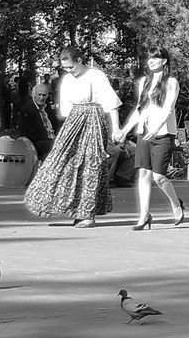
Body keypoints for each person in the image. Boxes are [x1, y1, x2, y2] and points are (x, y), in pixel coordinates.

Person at [24, 45, 122, 228]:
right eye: (66, 68)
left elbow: (111, 104)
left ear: (79, 61)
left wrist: (116, 128)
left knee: (91, 165)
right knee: (61, 160)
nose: (69, 71)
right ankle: (63, 205)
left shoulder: (96, 76)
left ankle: (87, 213)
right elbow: (66, 110)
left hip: (93, 120)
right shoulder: (68, 80)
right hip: (73, 122)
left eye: (71, 67)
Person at [116, 46, 184, 229]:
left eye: (155, 58)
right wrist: (125, 130)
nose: (151, 61)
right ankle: (144, 215)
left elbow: (168, 109)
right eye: (149, 58)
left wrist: (156, 129)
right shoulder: (145, 81)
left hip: (162, 133)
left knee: (159, 177)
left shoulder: (171, 82)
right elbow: (140, 109)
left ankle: (176, 203)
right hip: (144, 133)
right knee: (143, 174)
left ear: (164, 61)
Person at [17, 82, 59, 160]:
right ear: (34, 95)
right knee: (56, 145)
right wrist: (50, 139)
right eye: (39, 95)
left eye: (44, 95)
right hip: (35, 142)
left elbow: (55, 124)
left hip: (51, 139)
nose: (41, 98)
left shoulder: (47, 107)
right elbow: (28, 133)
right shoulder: (28, 110)